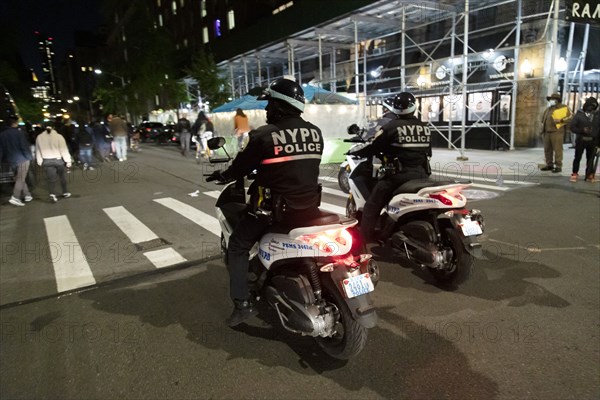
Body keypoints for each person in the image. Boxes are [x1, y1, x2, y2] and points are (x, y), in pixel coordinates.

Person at [206, 77, 324, 327]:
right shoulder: (315, 132)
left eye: (269, 104)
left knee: (237, 246)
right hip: (309, 208)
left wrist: (223, 175)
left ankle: (242, 305)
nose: (266, 109)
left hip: (272, 212)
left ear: (280, 106)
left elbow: (240, 168)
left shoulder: (264, 135)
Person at [348, 92, 431, 242]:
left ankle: (363, 241)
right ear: (414, 107)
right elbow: (428, 151)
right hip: (422, 175)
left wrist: (356, 152)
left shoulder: (391, 127)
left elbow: (373, 147)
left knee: (372, 206)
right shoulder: (424, 127)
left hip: (398, 177)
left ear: (395, 108)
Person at [0, 115, 34, 206]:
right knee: (21, 178)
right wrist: (29, 157)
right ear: (14, 123)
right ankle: (15, 197)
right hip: (22, 159)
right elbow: (24, 146)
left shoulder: (2, 135)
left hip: (11, 160)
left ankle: (27, 195)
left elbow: (1, 150)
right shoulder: (19, 133)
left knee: (19, 178)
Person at [35, 124, 72, 203]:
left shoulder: (39, 137)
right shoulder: (59, 137)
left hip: (47, 160)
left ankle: (52, 194)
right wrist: (68, 161)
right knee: (62, 177)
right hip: (58, 160)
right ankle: (65, 192)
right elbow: (64, 150)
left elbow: (38, 150)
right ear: (54, 127)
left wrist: (39, 161)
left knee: (51, 179)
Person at [540, 93, 573, 173]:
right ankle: (549, 164)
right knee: (547, 150)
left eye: (552, 99)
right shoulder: (548, 109)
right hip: (547, 132)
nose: (551, 101)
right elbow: (543, 120)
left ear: (557, 100)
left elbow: (571, 117)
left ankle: (558, 166)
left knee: (558, 150)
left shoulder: (564, 108)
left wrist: (561, 120)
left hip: (557, 132)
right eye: (550, 99)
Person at [569, 97, 599, 183]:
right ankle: (575, 173)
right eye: (590, 106)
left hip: (592, 141)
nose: (591, 108)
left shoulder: (597, 116)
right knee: (577, 157)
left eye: (593, 106)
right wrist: (582, 130)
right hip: (581, 140)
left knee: (590, 158)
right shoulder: (579, 114)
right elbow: (572, 127)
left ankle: (589, 174)